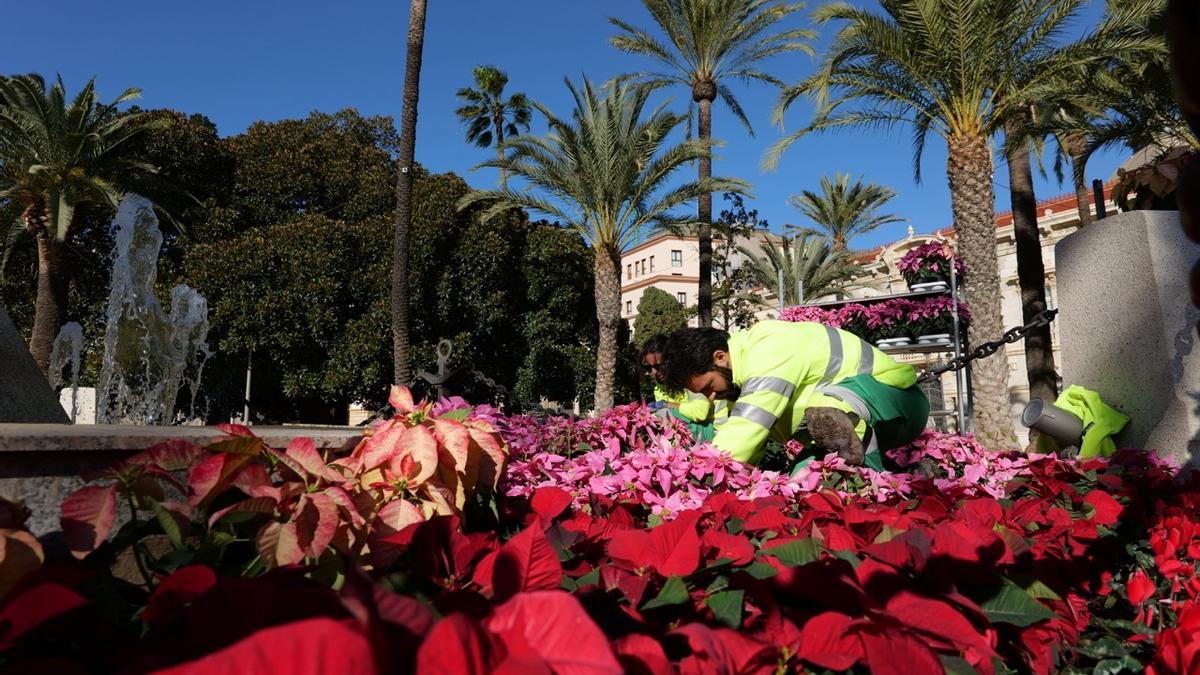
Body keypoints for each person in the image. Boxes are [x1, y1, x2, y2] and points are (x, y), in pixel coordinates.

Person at [661, 321, 929, 469]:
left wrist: (699, 473)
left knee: (827, 411)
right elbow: (745, 448)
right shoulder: (739, 384)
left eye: (708, 386)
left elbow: (746, 429)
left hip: (899, 404)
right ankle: (907, 474)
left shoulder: (766, 347)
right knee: (801, 478)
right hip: (867, 420)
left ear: (720, 358)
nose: (710, 397)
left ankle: (873, 480)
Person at [641, 334, 725, 440]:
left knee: (664, 413)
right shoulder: (659, 389)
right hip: (685, 432)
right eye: (649, 368)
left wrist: (668, 404)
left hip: (712, 430)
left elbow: (700, 412)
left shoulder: (690, 378)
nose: (654, 372)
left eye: (658, 366)